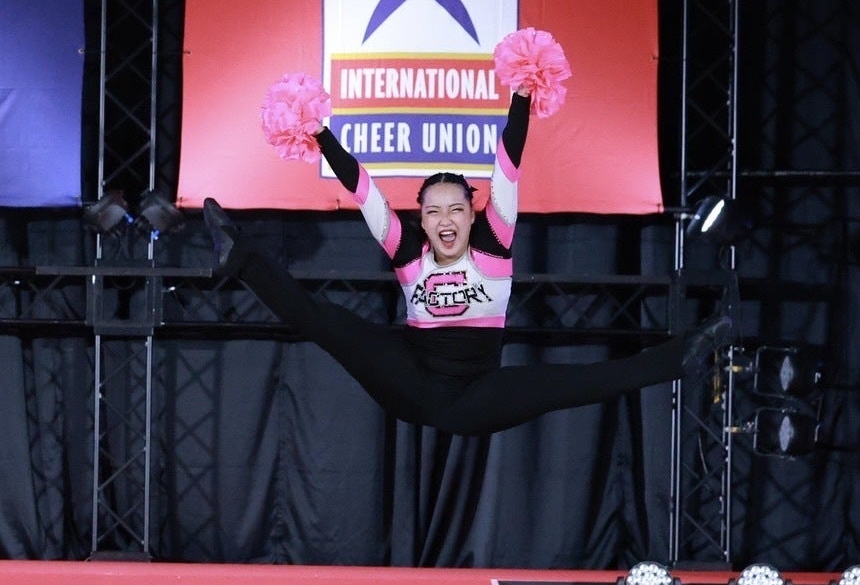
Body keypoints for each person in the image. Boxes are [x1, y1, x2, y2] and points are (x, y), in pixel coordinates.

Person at [203, 87, 731, 436]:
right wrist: (320, 134)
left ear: (472, 214)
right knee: (326, 321)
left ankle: (684, 355)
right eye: (433, 211)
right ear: (422, 220)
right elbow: (363, 188)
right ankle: (239, 257)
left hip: (476, 396)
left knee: (583, 381)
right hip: (411, 381)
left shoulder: (493, 247)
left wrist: (522, 94)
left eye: (456, 208)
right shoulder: (407, 253)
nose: (445, 219)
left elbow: (508, 164)